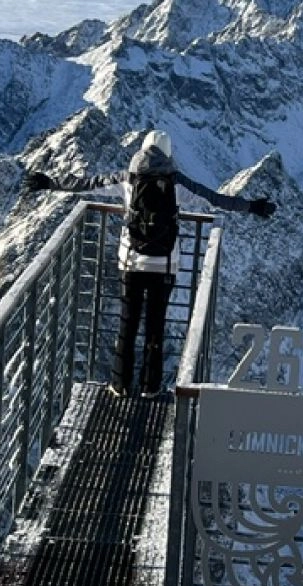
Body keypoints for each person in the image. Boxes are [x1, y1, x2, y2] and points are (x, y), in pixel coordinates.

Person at [23, 130, 276, 398]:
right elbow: (216, 200)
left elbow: (87, 184)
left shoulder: (127, 179)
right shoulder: (177, 183)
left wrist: (50, 183)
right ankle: (151, 388)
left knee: (127, 323)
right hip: (165, 264)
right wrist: (251, 206)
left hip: (131, 262)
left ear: (141, 152)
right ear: (168, 154)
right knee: (155, 327)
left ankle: (120, 385)